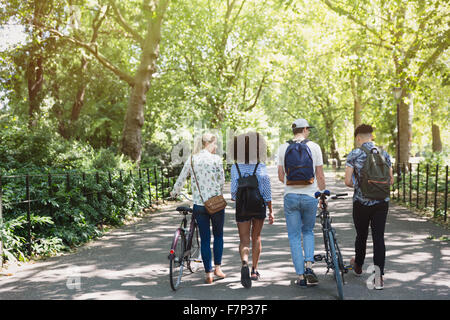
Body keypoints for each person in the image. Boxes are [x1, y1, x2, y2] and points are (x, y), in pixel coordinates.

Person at [171, 133, 226, 284]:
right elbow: (221, 181)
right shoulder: (216, 159)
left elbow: (181, 179)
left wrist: (174, 192)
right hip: (216, 204)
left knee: (205, 239)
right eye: (215, 144)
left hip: (199, 205)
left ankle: (208, 274)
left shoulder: (192, 159)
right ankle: (218, 268)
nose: (216, 147)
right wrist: (217, 192)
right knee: (218, 236)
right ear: (209, 143)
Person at [277, 119, 326, 288]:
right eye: (308, 129)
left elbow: (280, 175)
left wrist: (291, 183)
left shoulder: (283, 148)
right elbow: (320, 175)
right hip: (310, 195)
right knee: (308, 231)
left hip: (290, 196)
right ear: (304, 129)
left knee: (294, 236)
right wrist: (321, 195)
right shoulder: (314, 147)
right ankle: (309, 266)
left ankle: (300, 276)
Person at [344, 124, 393, 290]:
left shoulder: (355, 154)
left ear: (358, 138)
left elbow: (347, 181)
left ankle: (358, 266)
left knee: (362, 235)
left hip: (361, 202)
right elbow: (390, 180)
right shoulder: (384, 154)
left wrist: (361, 188)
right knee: (379, 238)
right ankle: (379, 279)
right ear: (371, 136)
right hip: (381, 202)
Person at [230, 132, 273, 289]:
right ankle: (254, 270)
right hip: (258, 206)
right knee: (256, 237)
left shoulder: (235, 167)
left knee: (243, 239)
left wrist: (239, 196)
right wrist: (271, 209)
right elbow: (266, 191)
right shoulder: (261, 166)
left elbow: (233, 192)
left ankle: (244, 263)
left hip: (242, 207)